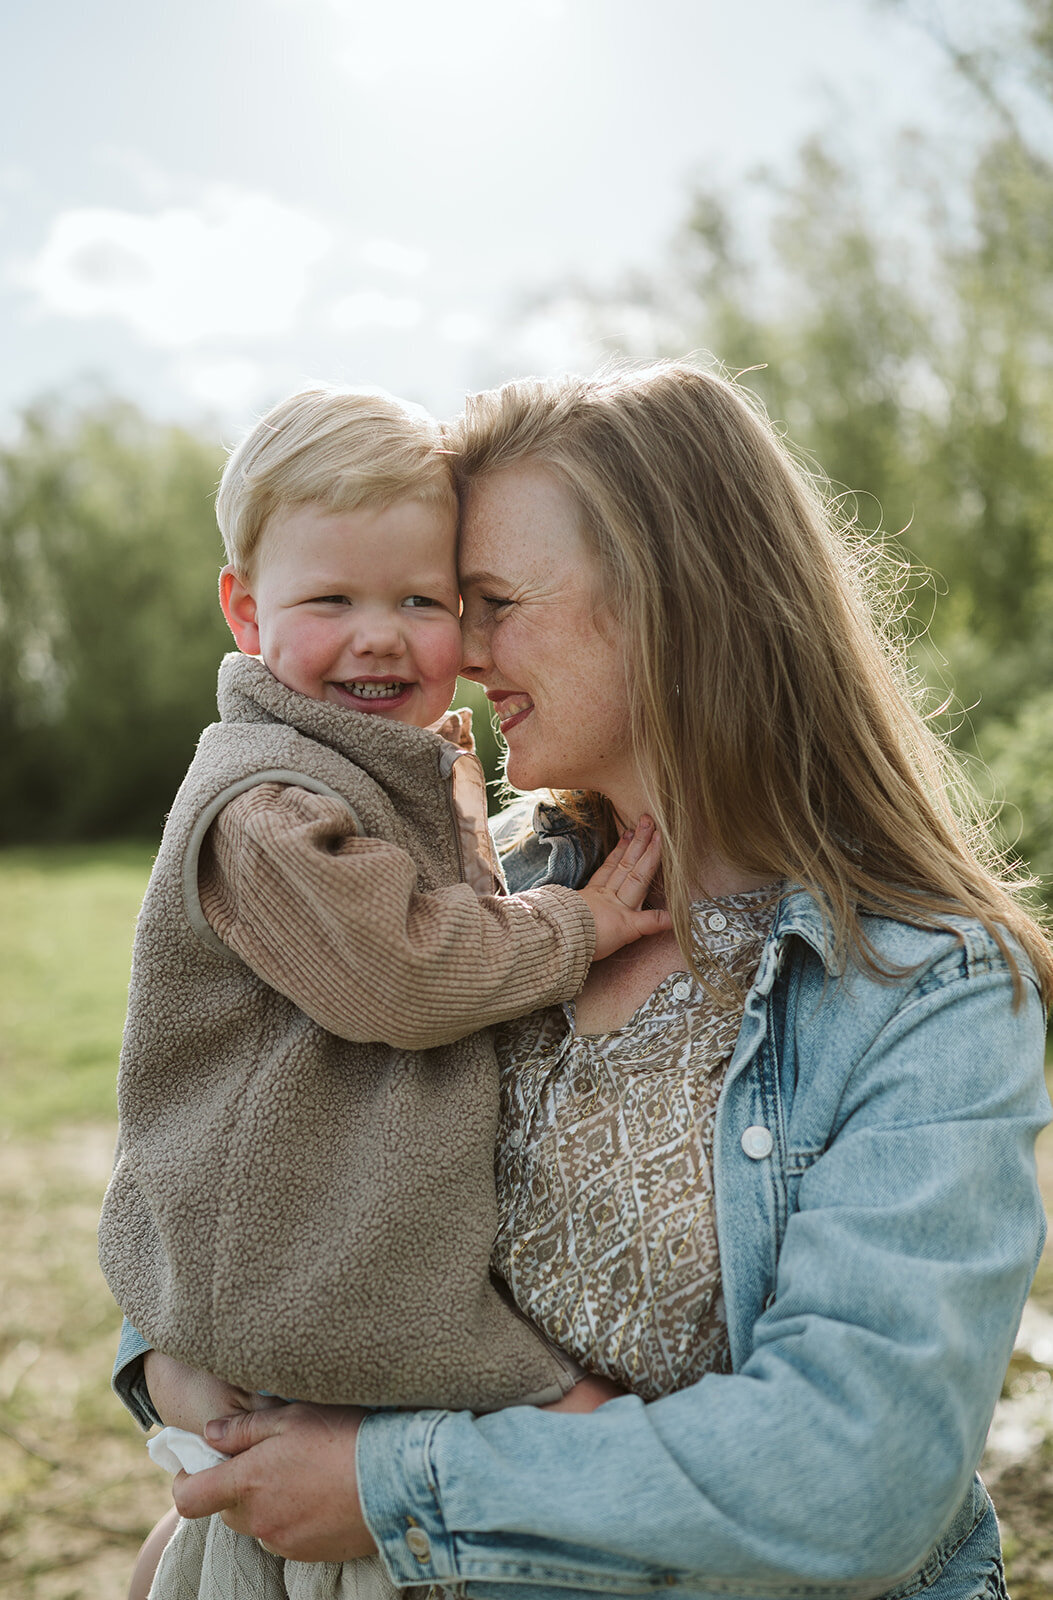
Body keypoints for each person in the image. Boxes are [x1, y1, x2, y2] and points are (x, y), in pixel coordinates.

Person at [124, 363, 1051, 1600]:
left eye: (487, 600)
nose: (460, 651)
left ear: (673, 601)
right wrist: (171, 1362)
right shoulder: (462, 907)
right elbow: (246, 1155)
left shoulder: (920, 994)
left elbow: (854, 1473)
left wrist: (389, 1486)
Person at [99, 383, 671, 1597]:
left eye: (424, 600)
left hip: (318, 1247)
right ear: (243, 611)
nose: (383, 635)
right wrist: (574, 924)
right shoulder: (263, 803)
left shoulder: (369, 775)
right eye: (332, 600)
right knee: (571, 1410)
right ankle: (605, 1448)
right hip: (306, 1269)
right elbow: (408, 972)